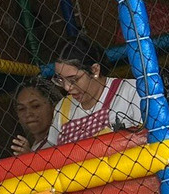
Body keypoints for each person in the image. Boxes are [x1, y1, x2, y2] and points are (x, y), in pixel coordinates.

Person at [13, 39, 143, 154]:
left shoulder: (130, 91)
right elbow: (51, 157)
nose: (67, 87)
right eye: (61, 80)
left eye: (74, 80)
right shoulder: (63, 108)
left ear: (95, 70)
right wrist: (30, 157)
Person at [9, 78, 62, 157]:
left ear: (53, 106)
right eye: (21, 109)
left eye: (35, 106)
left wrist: (29, 158)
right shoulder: (36, 146)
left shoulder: (62, 139)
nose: (28, 114)